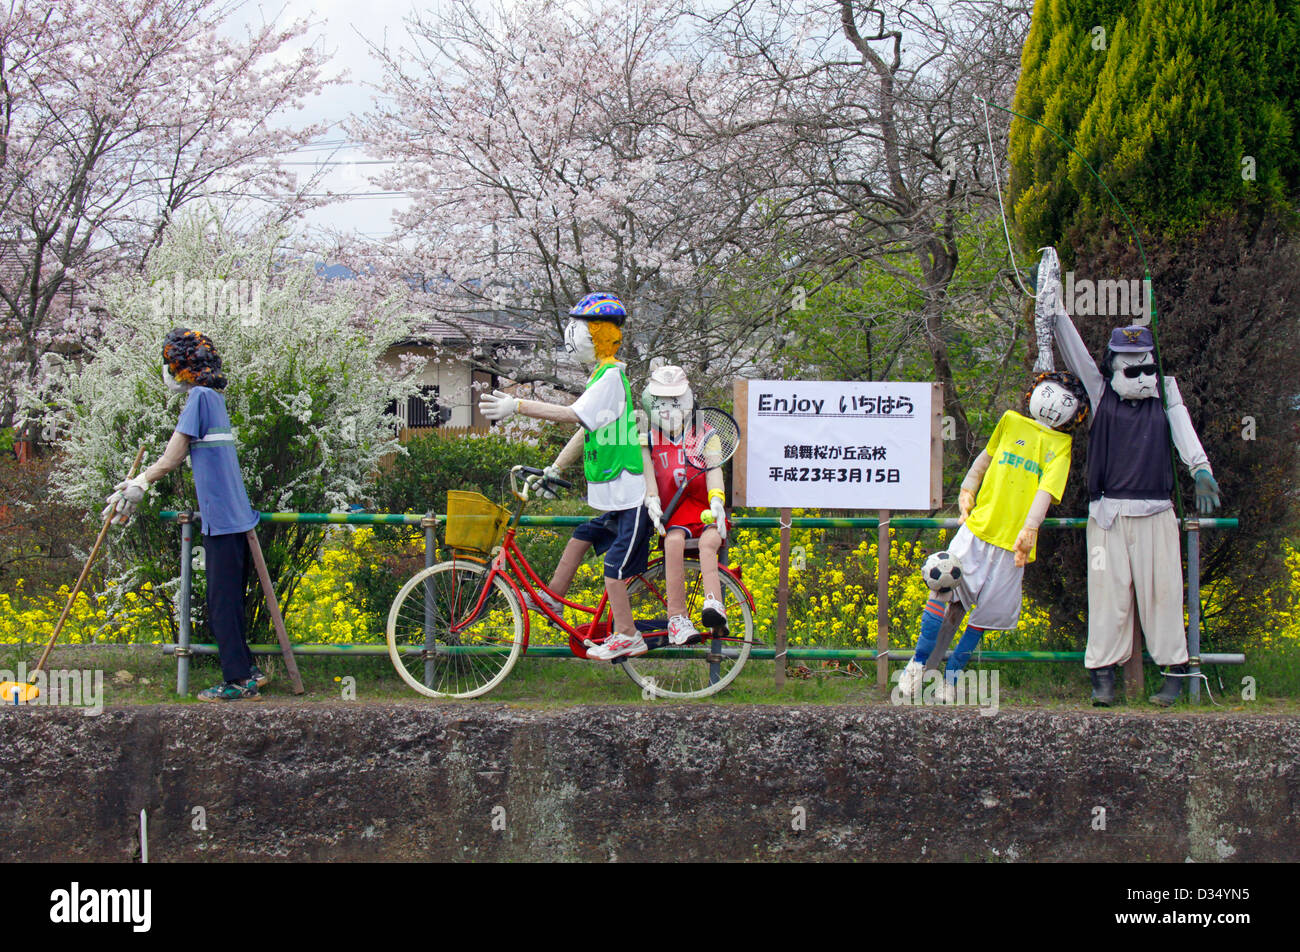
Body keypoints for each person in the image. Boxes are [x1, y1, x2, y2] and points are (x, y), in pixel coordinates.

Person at [1052, 318, 1221, 706]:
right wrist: (1055, 304)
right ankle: (1102, 676)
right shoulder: (1099, 392)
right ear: (1113, 364)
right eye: (1130, 365)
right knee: (1107, 596)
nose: (1140, 374)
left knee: (1162, 593)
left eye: (1146, 364)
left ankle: (1175, 671)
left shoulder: (1165, 393)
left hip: (1157, 512)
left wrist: (1200, 469)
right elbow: (1075, 353)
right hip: (1107, 515)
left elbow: (1182, 428)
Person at [478, 293, 653, 660]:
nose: (572, 342)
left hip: (631, 495)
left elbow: (574, 415)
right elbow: (585, 429)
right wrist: (555, 468)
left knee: (613, 568)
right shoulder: (601, 378)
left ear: (595, 337)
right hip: (615, 494)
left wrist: (518, 406)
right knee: (582, 535)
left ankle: (627, 634)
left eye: (578, 333)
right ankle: (554, 600)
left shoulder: (610, 377)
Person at [898, 371, 1090, 703]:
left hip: (1012, 546)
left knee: (984, 616)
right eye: (1049, 393)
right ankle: (916, 666)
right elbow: (984, 459)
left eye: (1066, 402)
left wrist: (1030, 529)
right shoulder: (1010, 421)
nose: (1054, 404)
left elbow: (1046, 491)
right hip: (976, 530)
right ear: (1033, 392)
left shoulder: (1061, 445)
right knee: (941, 588)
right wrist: (967, 489)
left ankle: (952, 679)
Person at [103, 329, 266, 701]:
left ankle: (239, 681)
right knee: (229, 600)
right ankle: (249, 671)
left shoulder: (199, 399)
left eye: (168, 363)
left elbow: (173, 457)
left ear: (182, 366)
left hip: (223, 518)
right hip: (232, 515)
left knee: (220, 604)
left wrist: (141, 482)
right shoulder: (214, 398)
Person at [641, 365, 729, 643]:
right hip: (674, 513)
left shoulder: (705, 431)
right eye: (661, 401)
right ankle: (677, 617)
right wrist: (651, 498)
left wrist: (717, 499)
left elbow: (715, 468)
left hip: (705, 508)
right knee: (673, 543)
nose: (668, 408)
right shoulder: (647, 434)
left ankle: (714, 604)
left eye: (675, 400)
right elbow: (646, 471)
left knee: (708, 544)